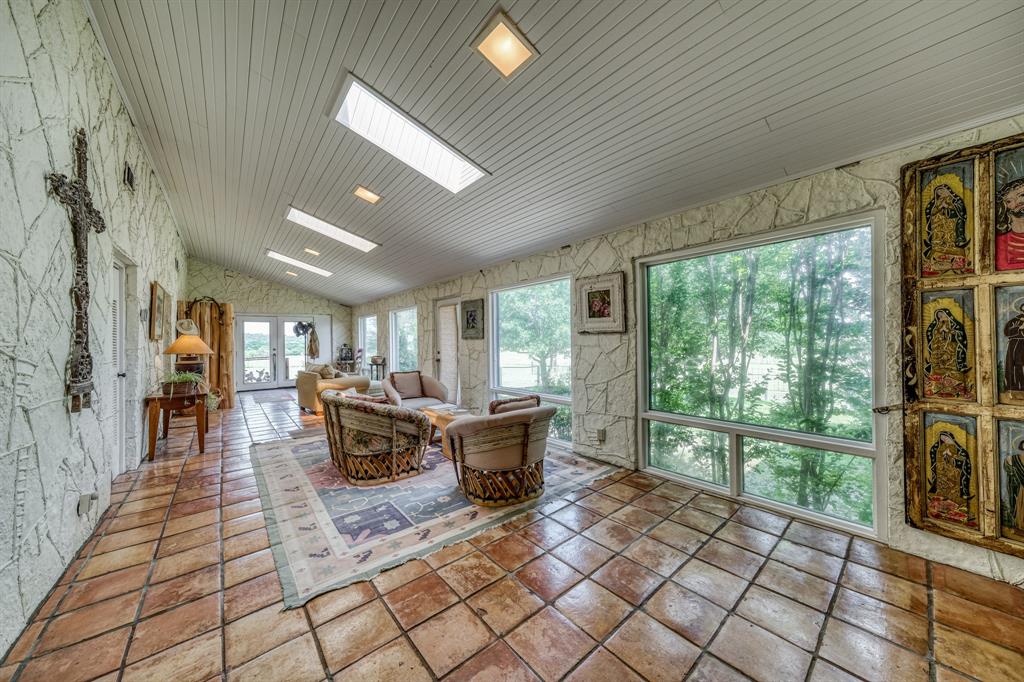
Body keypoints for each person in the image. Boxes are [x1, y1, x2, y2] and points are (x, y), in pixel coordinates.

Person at [995, 177, 1024, 270]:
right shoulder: (999, 242)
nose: (1019, 202)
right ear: (1004, 208)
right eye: (1009, 201)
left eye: (1022, 195)